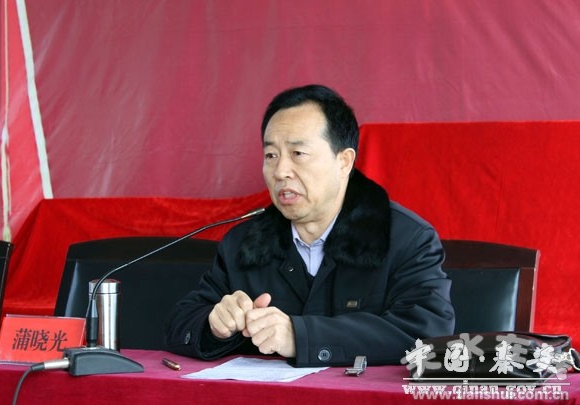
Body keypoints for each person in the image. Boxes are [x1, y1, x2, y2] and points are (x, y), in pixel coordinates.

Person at [164, 84, 455, 367]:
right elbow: (180, 324)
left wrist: (300, 337)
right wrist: (214, 325)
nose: (280, 171)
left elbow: (428, 335)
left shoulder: (406, 238)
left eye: (298, 154)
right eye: (271, 155)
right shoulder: (243, 243)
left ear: (344, 162)